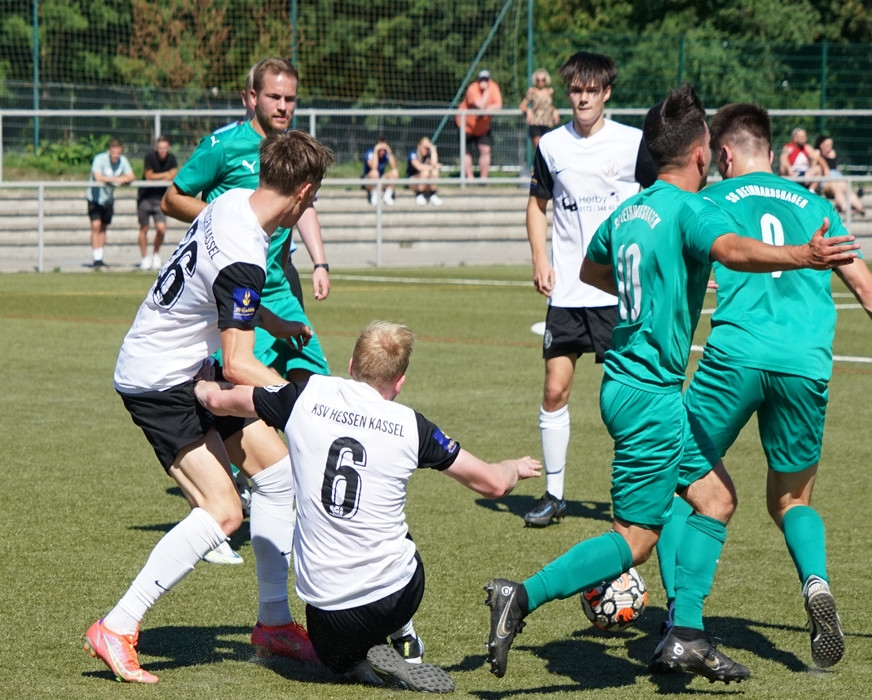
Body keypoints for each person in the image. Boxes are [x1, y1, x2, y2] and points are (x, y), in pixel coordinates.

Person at [483, 83, 861, 684]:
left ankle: (687, 634)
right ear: (702, 153)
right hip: (651, 396)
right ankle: (521, 596)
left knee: (715, 498)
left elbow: (592, 268)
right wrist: (803, 256)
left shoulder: (629, 211)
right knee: (635, 539)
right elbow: (733, 250)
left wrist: (653, 288)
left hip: (626, 385)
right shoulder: (692, 209)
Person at [649, 102, 872, 676]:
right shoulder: (817, 205)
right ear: (770, 150)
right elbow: (868, 289)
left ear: (723, 154)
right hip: (805, 365)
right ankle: (815, 582)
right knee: (792, 501)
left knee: (678, 481)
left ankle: (681, 620)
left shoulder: (710, 200)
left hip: (735, 358)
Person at [82, 131, 335, 684]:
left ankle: (273, 624)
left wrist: (271, 321)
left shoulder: (232, 201)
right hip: (158, 380)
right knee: (224, 512)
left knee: (278, 475)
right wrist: (317, 401)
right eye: (314, 198)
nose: (311, 206)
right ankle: (116, 627)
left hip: (189, 366)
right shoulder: (246, 252)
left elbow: (217, 290)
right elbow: (240, 364)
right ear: (302, 192)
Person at [195, 320, 543, 692]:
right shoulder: (412, 425)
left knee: (335, 660)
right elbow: (493, 483)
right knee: (391, 526)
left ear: (351, 365)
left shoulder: (306, 395)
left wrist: (192, 384)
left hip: (329, 611)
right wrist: (513, 468)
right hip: (397, 595)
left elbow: (219, 401)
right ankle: (403, 635)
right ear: (399, 382)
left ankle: (356, 662)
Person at [522, 51, 656, 528]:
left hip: (618, 294)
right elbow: (537, 206)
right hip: (567, 294)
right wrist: (540, 258)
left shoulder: (633, 143)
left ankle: (636, 493)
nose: (583, 98)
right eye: (576, 90)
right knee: (555, 389)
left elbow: (661, 198)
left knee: (626, 396)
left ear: (606, 93)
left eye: (592, 90)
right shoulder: (551, 145)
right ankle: (554, 496)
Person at [161, 57, 331, 383]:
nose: (283, 106)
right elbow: (171, 200)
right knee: (254, 389)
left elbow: (305, 206)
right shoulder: (223, 146)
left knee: (316, 387)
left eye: (290, 99)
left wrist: (320, 264)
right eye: (274, 97)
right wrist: (228, 218)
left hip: (280, 290)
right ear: (253, 97)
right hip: (238, 291)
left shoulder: (295, 149)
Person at [86, 139, 135, 268]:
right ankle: (95, 258)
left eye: (118, 153)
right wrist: (117, 179)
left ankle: (99, 257)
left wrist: (125, 180)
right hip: (95, 198)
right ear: (109, 152)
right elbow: (98, 177)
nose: (115, 155)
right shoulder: (99, 159)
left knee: (103, 227)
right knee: (95, 226)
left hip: (108, 199)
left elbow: (131, 176)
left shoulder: (122, 160)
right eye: (113, 153)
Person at [136, 136, 178, 270]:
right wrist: (165, 175)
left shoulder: (172, 159)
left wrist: (158, 176)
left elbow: (174, 174)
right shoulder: (150, 158)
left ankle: (155, 254)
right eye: (160, 148)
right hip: (145, 197)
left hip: (160, 198)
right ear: (156, 148)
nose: (162, 150)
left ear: (168, 148)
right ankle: (144, 258)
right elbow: (149, 176)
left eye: (164, 148)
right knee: (144, 228)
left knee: (161, 228)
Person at [456, 69, 502, 180]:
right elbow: (480, 105)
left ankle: (483, 179)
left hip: (482, 128)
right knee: (466, 151)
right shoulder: (472, 89)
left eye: (486, 79)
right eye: (481, 79)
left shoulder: (494, 87)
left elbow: (498, 106)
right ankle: (469, 178)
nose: (483, 82)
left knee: (485, 149)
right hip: (466, 125)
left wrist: (485, 110)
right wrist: (486, 92)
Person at [814, 134, 865, 216]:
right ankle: (845, 207)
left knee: (846, 187)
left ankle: (859, 206)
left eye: (831, 144)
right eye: (827, 145)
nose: (829, 147)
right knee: (836, 188)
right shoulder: (817, 154)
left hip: (836, 177)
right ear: (821, 145)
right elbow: (821, 167)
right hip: (826, 180)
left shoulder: (832, 153)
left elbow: (834, 167)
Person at [519, 68, 559, 151]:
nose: (540, 82)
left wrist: (554, 110)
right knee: (539, 149)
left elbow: (547, 106)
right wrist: (528, 110)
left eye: (543, 80)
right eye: (538, 80)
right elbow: (522, 105)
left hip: (548, 123)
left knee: (548, 150)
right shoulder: (532, 92)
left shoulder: (549, 92)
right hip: (536, 122)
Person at [778, 127, 822, 191]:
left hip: (805, 174)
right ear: (795, 138)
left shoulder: (806, 147)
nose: (805, 139)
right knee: (782, 167)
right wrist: (789, 168)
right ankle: (783, 187)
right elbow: (783, 158)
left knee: (818, 168)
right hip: (792, 173)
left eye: (805, 136)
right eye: (802, 137)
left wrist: (814, 161)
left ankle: (811, 190)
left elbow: (816, 157)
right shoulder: (788, 147)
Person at [363, 135, 399, 206]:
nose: (382, 151)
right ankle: (374, 196)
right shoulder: (370, 153)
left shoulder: (386, 153)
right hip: (369, 182)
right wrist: (376, 152)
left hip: (380, 181)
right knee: (374, 173)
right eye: (380, 149)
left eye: (384, 149)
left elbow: (394, 166)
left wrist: (389, 151)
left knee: (395, 172)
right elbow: (374, 167)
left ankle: (387, 196)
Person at [406, 137, 442, 205]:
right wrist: (432, 167)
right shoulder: (413, 153)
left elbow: (434, 164)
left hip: (425, 181)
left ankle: (433, 194)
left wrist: (433, 150)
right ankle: (419, 195)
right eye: (425, 147)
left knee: (434, 171)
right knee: (425, 172)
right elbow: (419, 167)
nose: (426, 150)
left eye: (428, 148)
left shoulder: (429, 155)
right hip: (413, 181)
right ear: (419, 146)